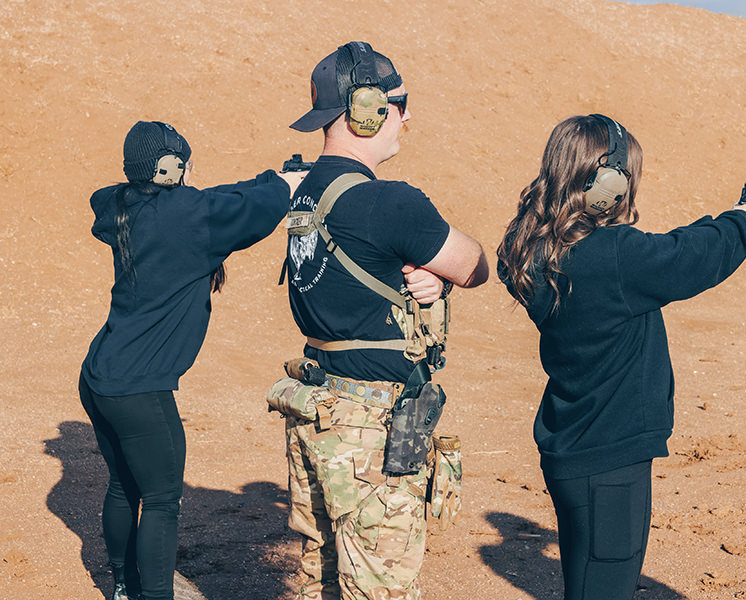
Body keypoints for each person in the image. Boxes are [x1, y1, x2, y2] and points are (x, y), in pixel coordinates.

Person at [496, 114, 746, 600]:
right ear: (605, 182)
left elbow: (669, 250)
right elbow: (689, 257)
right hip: (610, 460)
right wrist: (743, 223)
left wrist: (731, 219)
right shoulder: (613, 256)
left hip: (577, 448)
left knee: (588, 583)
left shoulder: (536, 250)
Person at [276, 41, 488, 600]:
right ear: (366, 108)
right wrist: (442, 277)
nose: (407, 116)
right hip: (371, 425)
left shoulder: (303, 194)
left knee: (317, 574)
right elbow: (474, 264)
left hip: (317, 408)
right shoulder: (390, 203)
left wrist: (423, 278)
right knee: (381, 587)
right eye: (399, 103)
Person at [79, 120, 304, 600]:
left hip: (100, 373)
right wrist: (285, 187)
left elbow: (219, 198)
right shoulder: (184, 216)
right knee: (162, 501)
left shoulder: (121, 203)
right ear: (169, 168)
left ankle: (123, 587)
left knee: (124, 486)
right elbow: (245, 209)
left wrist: (273, 178)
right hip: (140, 389)